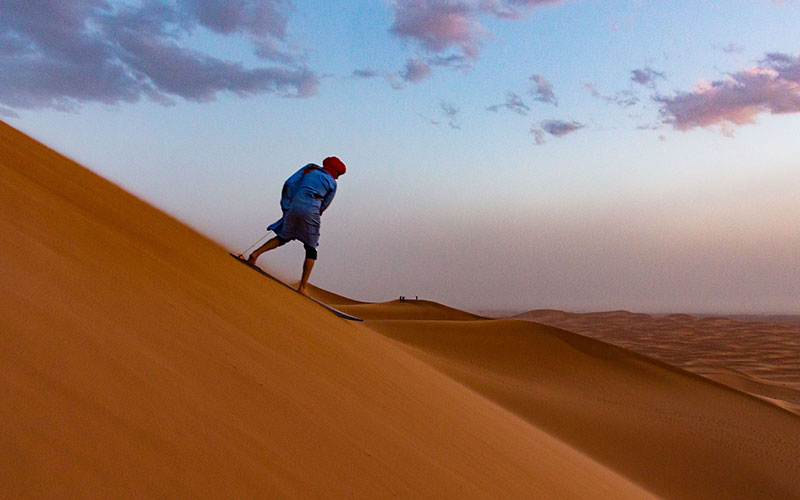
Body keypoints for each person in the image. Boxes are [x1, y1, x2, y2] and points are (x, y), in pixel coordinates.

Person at [247, 156, 346, 295]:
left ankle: (255, 254)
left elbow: (289, 183)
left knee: (283, 236)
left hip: (295, 205)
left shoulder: (310, 170)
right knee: (311, 248)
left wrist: (290, 203)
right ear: (336, 172)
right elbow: (325, 204)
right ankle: (302, 287)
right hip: (311, 210)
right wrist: (316, 212)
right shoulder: (332, 183)